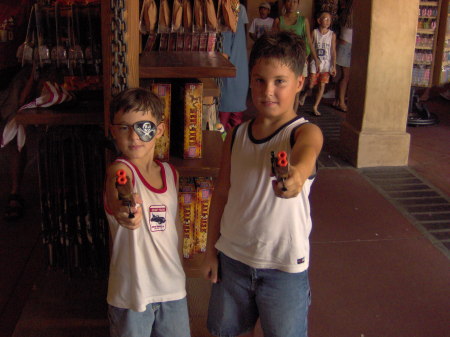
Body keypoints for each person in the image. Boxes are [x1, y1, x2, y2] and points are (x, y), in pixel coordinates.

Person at [202, 31, 323, 337]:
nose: (268, 90)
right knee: (223, 332)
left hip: (284, 268)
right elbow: (222, 192)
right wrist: (210, 251)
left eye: (279, 81)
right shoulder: (236, 135)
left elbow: (305, 157)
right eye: (259, 80)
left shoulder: (303, 133)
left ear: (299, 82)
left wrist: (294, 177)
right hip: (232, 261)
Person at [104, 88, 190, 337]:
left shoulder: (170, 173)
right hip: (133, 294)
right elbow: (120, 187)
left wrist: (180, 269)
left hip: (172, 289)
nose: (134, 136)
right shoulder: (119, 171)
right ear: (113, 131)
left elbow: (176, 226)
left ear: (160, 130)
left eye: (143, 126)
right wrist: (126, 208)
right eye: (123, 127)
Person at [272, 0, 320, 110]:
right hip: (283, 59)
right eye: (289, 1)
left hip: (299, 58)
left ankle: (293, 115)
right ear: (284, 3)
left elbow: (308, 40)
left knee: (296, 90)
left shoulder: (303, 21)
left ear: (298, 4)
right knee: (282, 87)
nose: (292, 4)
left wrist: (316, 59)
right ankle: (282, 113)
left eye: (294, 2)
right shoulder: (279, 21)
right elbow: (273, 40)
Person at [218, 1, 249, 132]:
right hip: (240, 72)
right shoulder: (238, 7)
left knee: (222, 127)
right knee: (235, 124)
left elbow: (224, 54)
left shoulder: (226, 8)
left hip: (228, 73)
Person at [299, 11, 336, 116]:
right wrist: (306, 57)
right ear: (319, 20)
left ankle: (315, 106)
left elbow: (333, 50)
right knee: (311, 84)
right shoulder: (314, 32)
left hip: (326, 64)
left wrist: (333, 65)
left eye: (329, 19)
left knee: (322, 85)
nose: (328, 21)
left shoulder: (332, 35)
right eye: (325, 19)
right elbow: (310, 46)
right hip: (314, 63)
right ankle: (305, 93)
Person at [334, 0, 353, 112]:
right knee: (346, 77)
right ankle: (341, 102)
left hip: (344, 45)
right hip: (347, 47)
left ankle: (338, 100)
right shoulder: (352, 17)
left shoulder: (344, 15)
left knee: (343, 76)